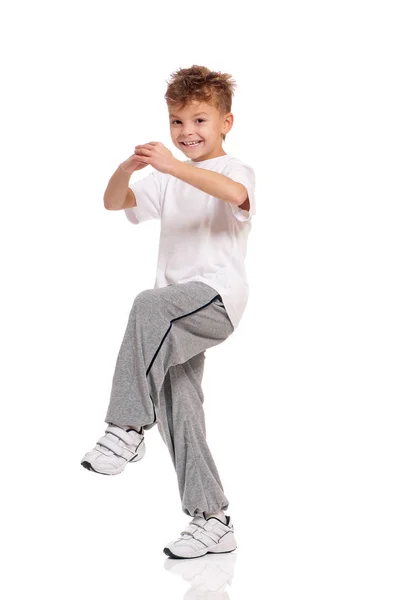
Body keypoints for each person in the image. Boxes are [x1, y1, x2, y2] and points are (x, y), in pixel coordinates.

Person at [80, 64, 256, 560]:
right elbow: (116, 203)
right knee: (182, 408)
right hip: (168, 323)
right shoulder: (166, 179)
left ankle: (126, 427)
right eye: (177, 122)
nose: (187, 132)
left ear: (226, 123)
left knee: (146, 303)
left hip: (213, 299)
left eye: (200, 120)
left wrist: (171, 165)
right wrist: (127, 170)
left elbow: (234, 195)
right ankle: (212, 519)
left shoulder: (233, 168)